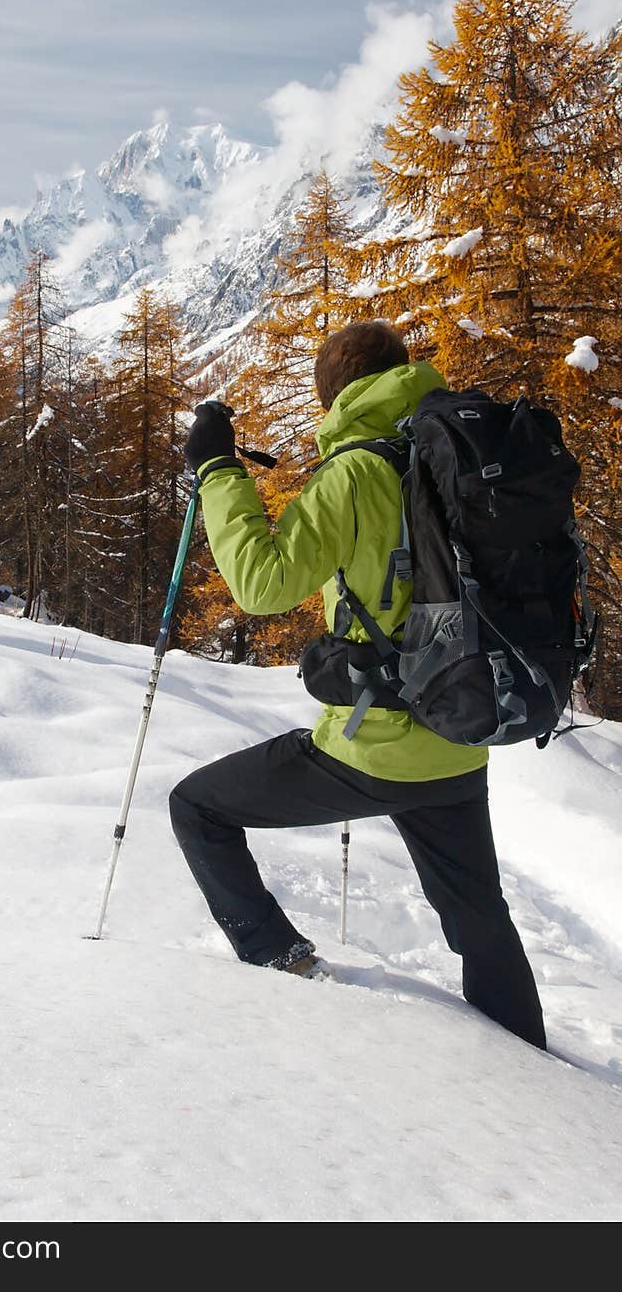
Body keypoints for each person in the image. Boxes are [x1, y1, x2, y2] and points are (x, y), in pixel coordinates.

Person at [171, 321, 546, 1049]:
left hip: (375, 748)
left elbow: (262, 581)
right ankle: (535, 1068)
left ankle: (277, 955)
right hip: (462, 738)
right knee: (481, 923)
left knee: (197, 810)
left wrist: (218, 469)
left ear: (334, 395)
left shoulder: (357, 471)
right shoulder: (460, 454)